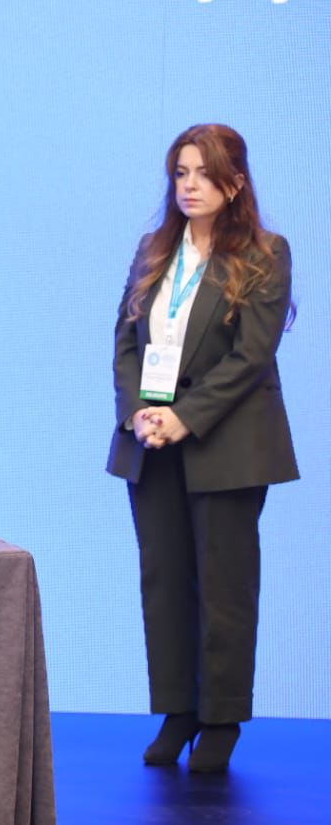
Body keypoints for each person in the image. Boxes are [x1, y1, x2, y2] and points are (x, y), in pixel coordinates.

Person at [108, 124, 297, 773]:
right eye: (181, 173)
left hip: (227, 444)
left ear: (234, 182)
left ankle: (220, 719)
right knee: (163, 581)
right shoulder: (152, 250)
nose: (189, 185)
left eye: (203, 173)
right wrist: (139, 412)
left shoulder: (265, 252)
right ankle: (177, 710)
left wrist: (184, 418)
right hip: (149, 443)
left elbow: (251, 356)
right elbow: (127, 342)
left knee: (224, 587)